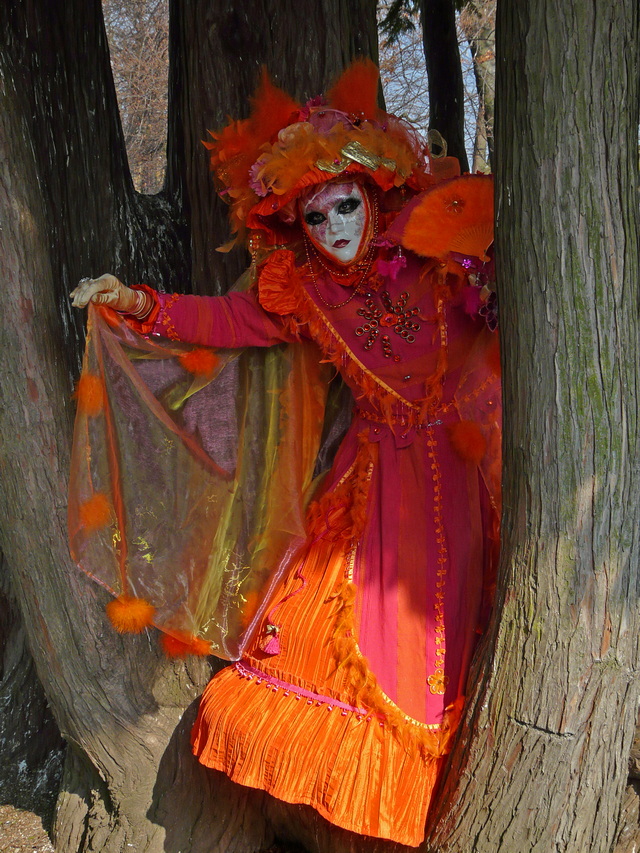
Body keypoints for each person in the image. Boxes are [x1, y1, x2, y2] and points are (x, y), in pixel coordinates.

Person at [69, 60, 500, 847]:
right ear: (296, 228)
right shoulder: (302, 292)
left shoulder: (437, 248)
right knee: (331, 629)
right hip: (370, 484)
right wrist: (139, 304)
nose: (335, 227)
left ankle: (407, 801)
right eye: (315, 217)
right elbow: (229, 323)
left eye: (346, 204)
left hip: (458, 472)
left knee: (428, 644)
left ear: (375, 194)